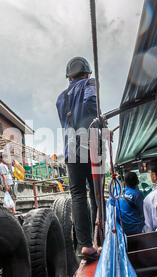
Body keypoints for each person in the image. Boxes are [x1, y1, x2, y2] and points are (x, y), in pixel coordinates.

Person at [56, 56, 99, 261]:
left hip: (70, 147)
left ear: (68, 77)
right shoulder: (89, 84)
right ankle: (101, 235)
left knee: (78, 195)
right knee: (96, 192)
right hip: (90, 143)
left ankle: (86, 246)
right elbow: (91, 104)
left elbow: (64, 122)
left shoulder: (60, 97)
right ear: (87, 72)